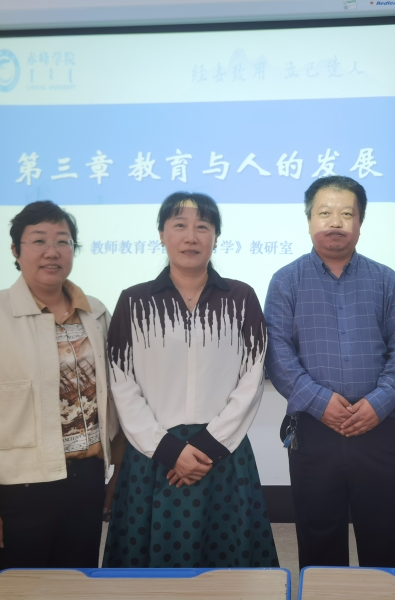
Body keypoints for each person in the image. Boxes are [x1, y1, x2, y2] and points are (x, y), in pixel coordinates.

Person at [0, 201, 122, 583]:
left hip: (86, 483)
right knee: (13, 590)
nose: (52, 252)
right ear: (15, 250)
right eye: (38, 240)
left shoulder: (96, 314)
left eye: (63, 241)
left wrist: (116, 470)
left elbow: (113, 402)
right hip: (15, 492)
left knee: (74, 588)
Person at [103, 192, 278, 568]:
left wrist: (209, 445)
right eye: (179, 225)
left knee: (227, 570)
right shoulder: (133, 302)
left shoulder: (241, 298)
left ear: (216, 236)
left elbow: (252, 378)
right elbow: (121, 384)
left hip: (223, 454)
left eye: (203, 227)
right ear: (162, 234)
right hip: (154, 457)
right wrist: (168, 450)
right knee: (149, 580)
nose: (191, 236)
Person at [264, 175, 395, 568]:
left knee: (384, 539)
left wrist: (378, 403)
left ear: (360, 222)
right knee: (319, 541)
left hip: (378, 429)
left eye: (346, 214)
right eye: (324, 212)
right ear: (309, 220)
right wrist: (320, 402)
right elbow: (277, 354)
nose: (335, 222)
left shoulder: (386, 280)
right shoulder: (285, 281)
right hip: (313, 431)